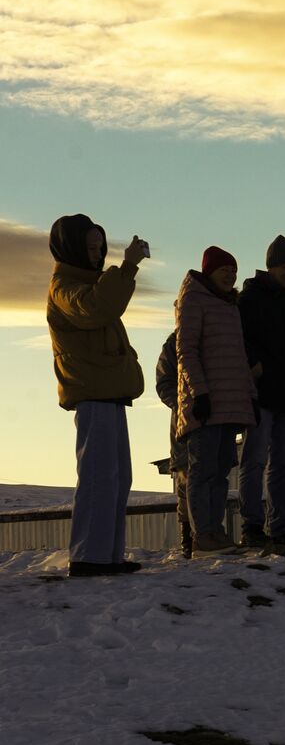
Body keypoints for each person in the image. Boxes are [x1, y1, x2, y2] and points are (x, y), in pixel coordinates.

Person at [46, 214, 148, 576]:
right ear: (71, 247)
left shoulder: (90, 284)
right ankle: (88, 556)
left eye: (99, 247)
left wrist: (123, 273)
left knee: (118, 476)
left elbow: (102, 303)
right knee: (98, 475)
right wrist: (128, 267)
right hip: (93, 392)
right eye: (90, 247)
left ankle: (106, 556)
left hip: (108, 392)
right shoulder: (65, 287)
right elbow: (96, 309)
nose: (97, 253)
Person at [236, 234, 285, 550]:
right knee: (254, 460)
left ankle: (280, 525)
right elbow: (240, 338)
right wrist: (255, 365)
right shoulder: (250, 299)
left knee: (283, 462)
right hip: (261, 394)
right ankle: (252, 525)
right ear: (271, 267)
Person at [176, 247, 256, 557]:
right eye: (225, 269)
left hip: (229, 402)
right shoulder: (194, 300)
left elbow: (238, 357)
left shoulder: (230, 305)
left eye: (234, 270)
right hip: (205, 402)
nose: (230, 275)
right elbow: (186, 351)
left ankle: (216, 530)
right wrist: (200, 393)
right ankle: (203, 534)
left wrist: (250, 397)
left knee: (221, 471)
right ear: (209, 271)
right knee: (203, 469)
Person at [154, 331, 192, 557]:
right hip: (186, 420)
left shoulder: (225, 327)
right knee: (186, 476)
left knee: (214, 474)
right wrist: (182, 405)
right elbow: (165, 383)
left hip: (217, 417)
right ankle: (189, 536)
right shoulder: (176, 341)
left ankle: (209, 531)